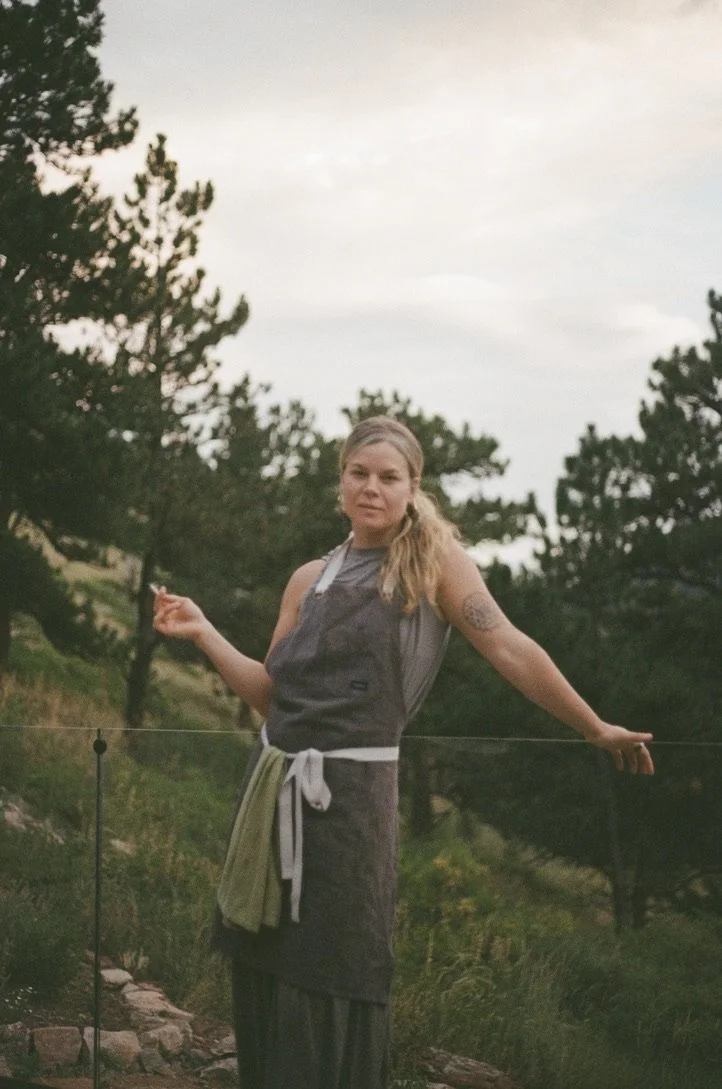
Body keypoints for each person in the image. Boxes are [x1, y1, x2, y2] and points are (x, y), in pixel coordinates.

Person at [152, 415, 654, 1089]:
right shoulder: (309, 578)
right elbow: (274, 696)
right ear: (340, 483)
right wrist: (206, 632)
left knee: (334, 963)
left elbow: (509, 646)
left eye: (389, 477)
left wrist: (592, 725)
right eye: (358, 473)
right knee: (269, 959)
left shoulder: (432, 567)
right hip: (274, 792)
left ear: (414, 486)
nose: (371, 488)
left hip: (352, 806)